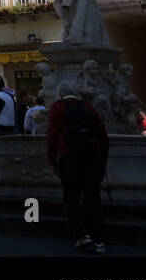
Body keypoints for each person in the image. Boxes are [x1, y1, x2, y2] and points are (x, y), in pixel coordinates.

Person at [46, 90, 109, 254]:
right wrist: (102, 160)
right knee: (93, 198)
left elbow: (52, 135)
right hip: (91, 157)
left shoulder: (57, 108)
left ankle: (82, 235)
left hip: (69, 158)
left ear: (59, 94)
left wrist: (52, 160)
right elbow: (102, 134)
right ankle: (99, 240)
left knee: (71, 197)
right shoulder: (88, 107)